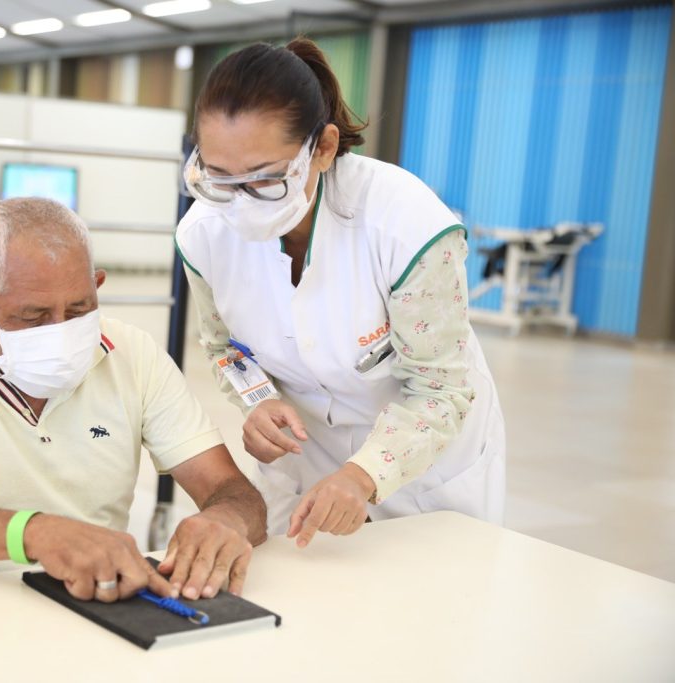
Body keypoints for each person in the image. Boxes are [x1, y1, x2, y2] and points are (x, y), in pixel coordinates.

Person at [0, 198, 267, 603]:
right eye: (33, 317)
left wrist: (226, 520)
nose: (60, 332)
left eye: (79, 310)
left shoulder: (133, 355)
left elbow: (234, 494)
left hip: (90, 611)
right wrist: (32, 533)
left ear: (97, 287)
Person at [175, 38, 505, 546]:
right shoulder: (203, 235)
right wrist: (257, 401)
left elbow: (441, 389)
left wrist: (362, 476)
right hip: (306, 452)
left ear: (323, 148)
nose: (238, 203)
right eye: (219, 178)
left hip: (425, 462)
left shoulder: (405, 225)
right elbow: (225, 351)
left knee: (434, 600)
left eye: (265, 180)